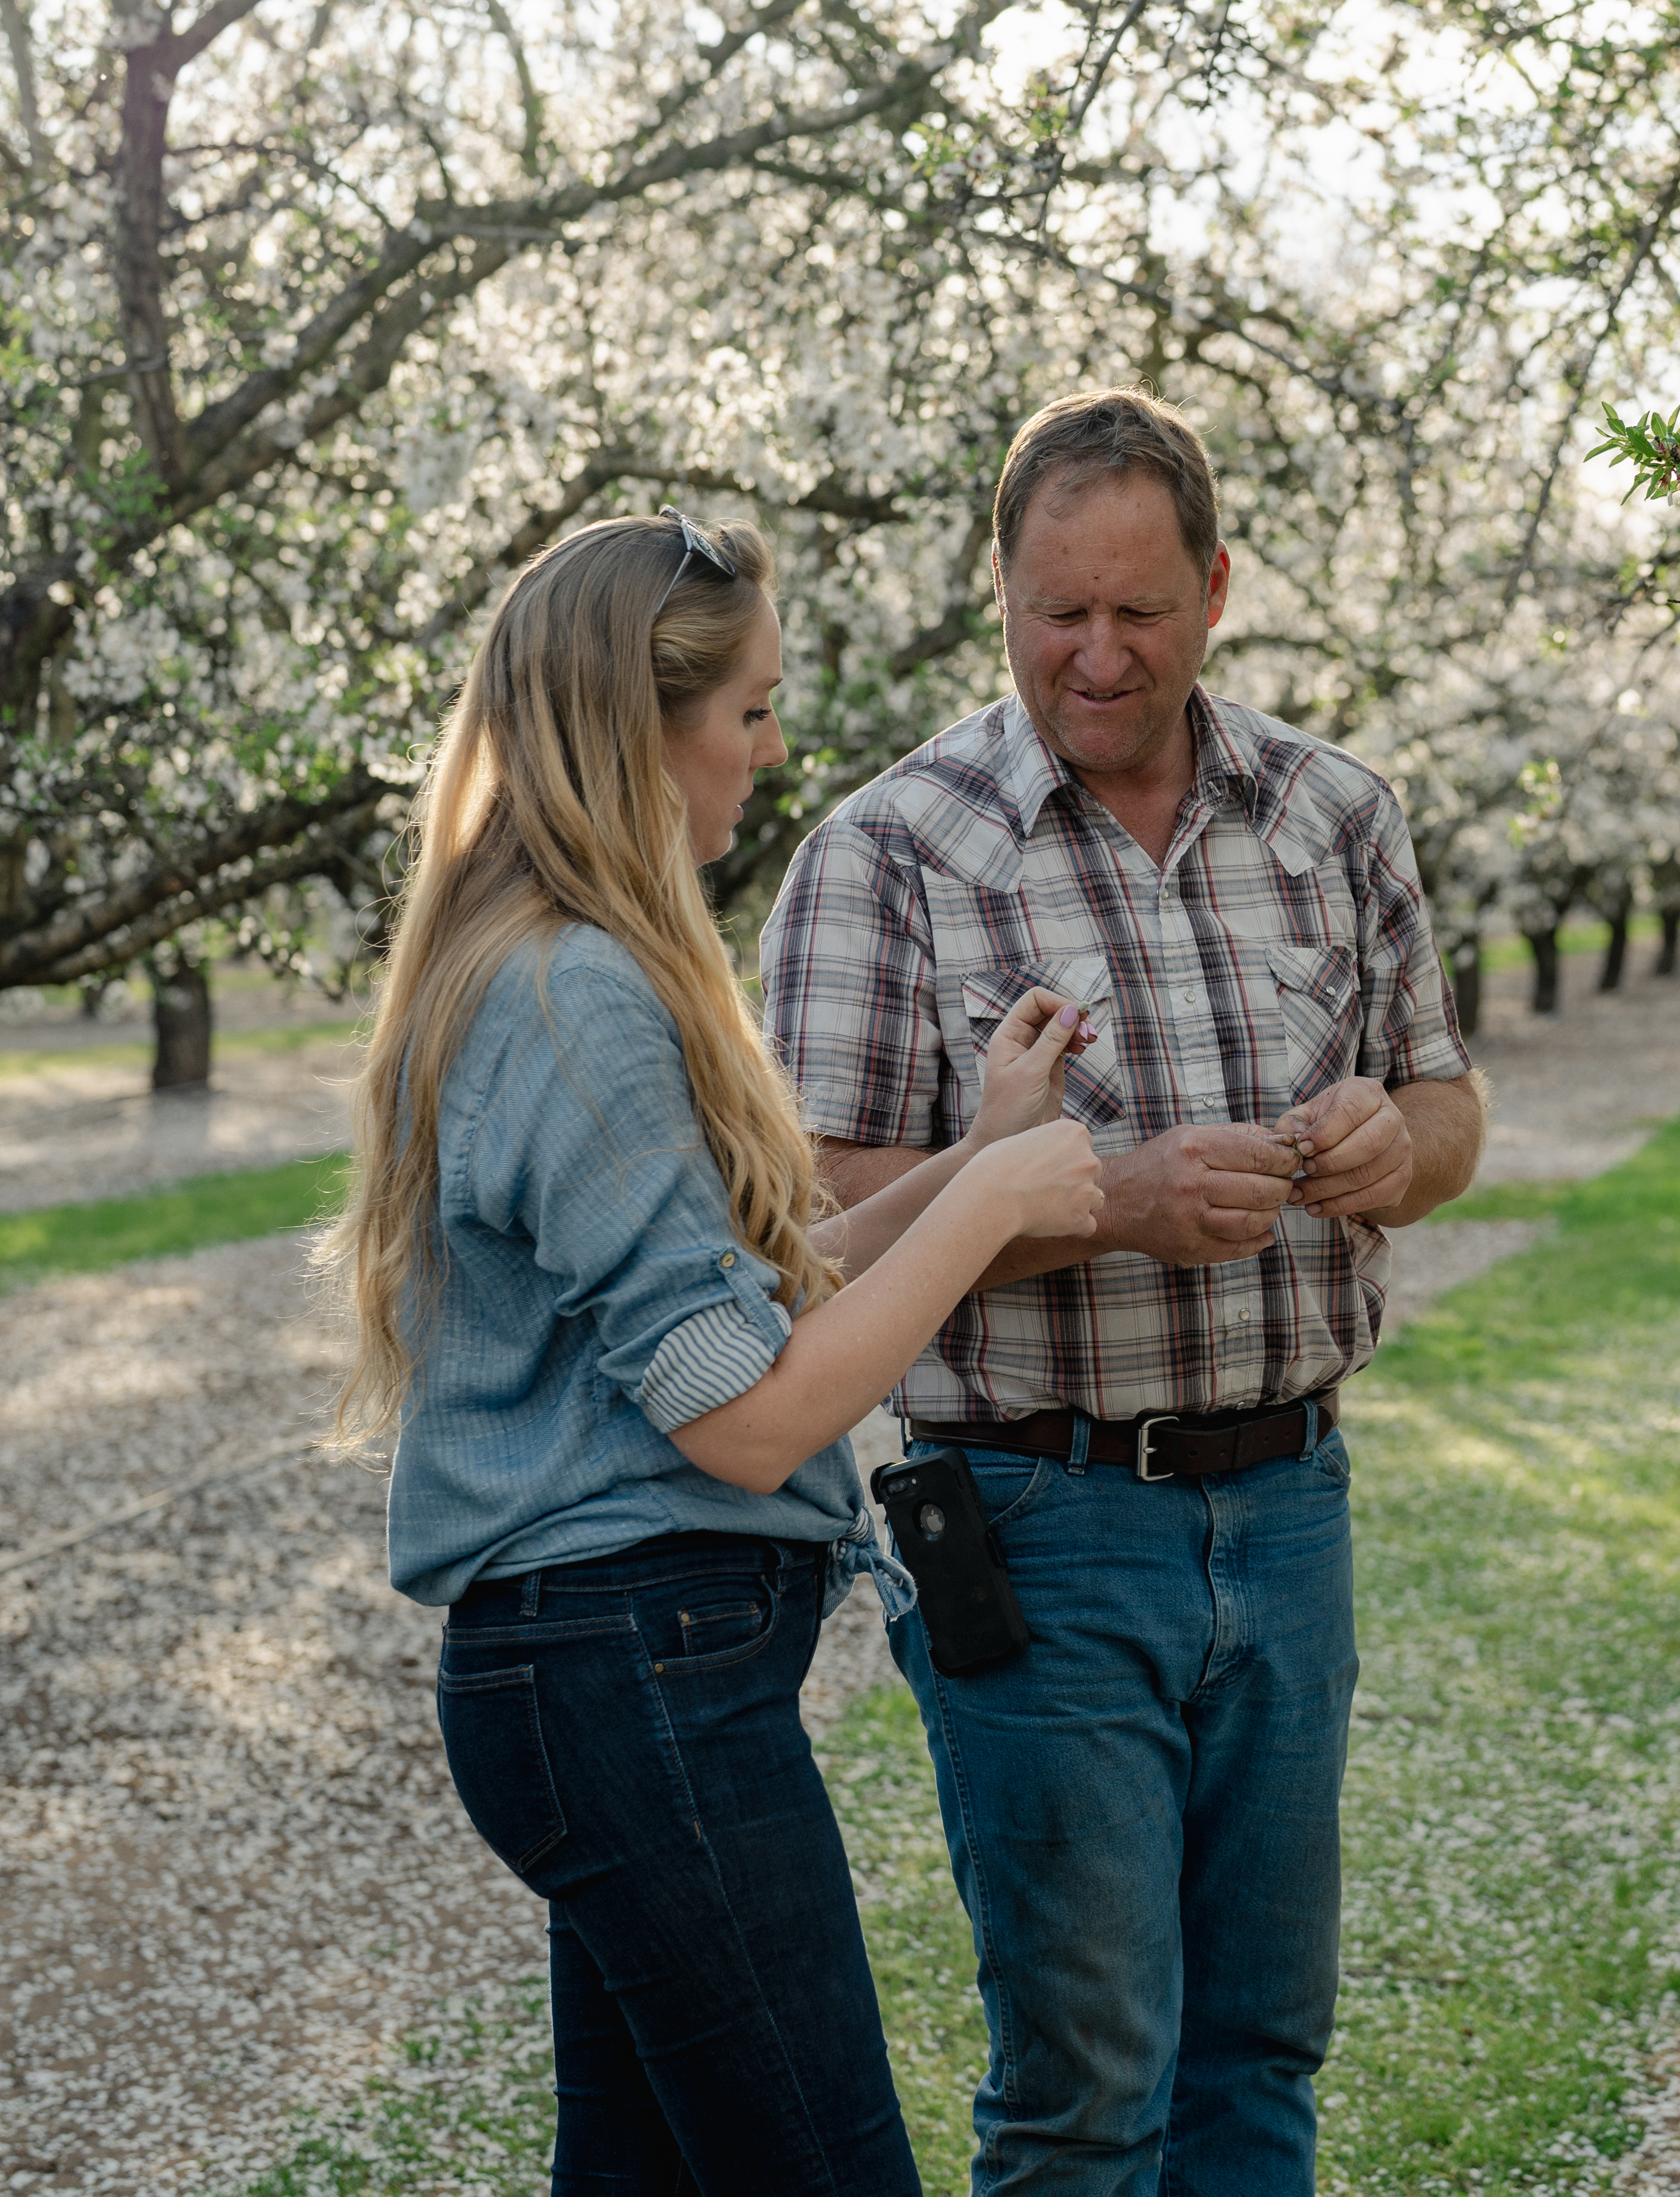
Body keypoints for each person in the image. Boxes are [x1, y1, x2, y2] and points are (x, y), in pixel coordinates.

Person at [324, 510, 1107, 2196]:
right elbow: (746, 1420)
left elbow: (738, 1311)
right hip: (628, 1675)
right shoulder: (573, 995)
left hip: (612, 1670)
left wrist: (981, 1157)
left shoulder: (550, 967)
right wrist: (994, 1217)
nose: (771, 747)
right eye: (747, 709)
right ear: (639, 724)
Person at [761, 389, 1487, 2194]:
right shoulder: (891, 852)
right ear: (996, 597)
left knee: (1263, 2048)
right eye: (1054, 611)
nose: (1096, 653)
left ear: (1218, 588)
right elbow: (816, 1216)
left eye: (1139, 611)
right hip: (1034, 1507)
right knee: (1089, 2083)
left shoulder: (1334, 816)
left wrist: (1403, 1144)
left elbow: (1451, 1100)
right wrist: (1106, 1202)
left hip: (1290, 1502)